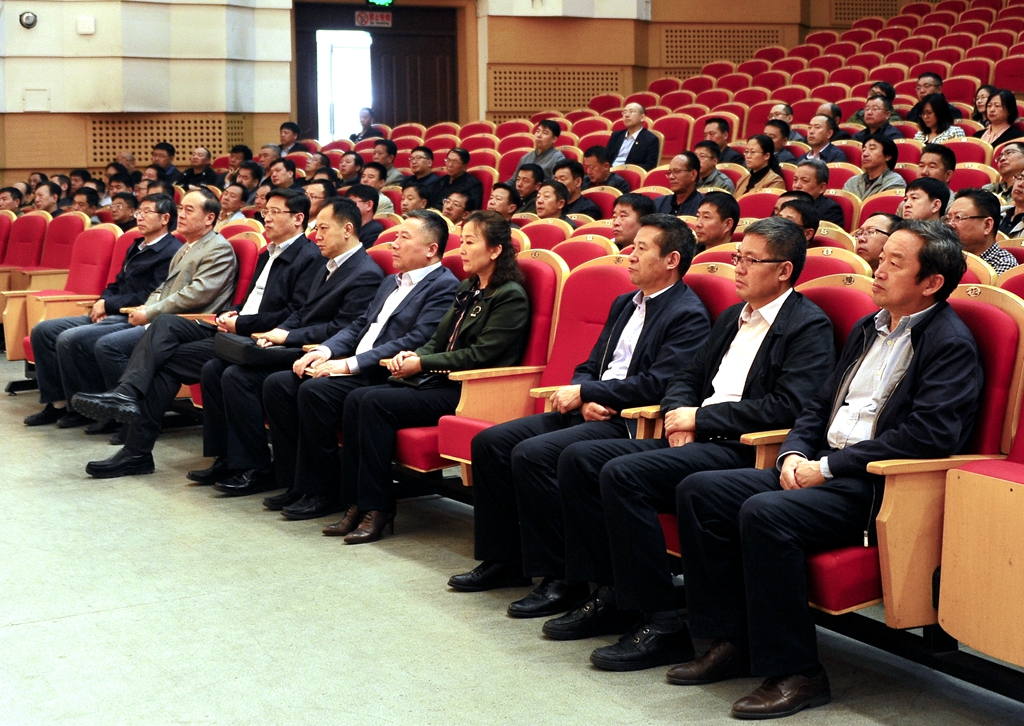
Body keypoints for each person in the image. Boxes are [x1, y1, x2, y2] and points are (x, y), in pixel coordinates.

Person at [671, 219, 982, 720]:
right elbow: (817, 406)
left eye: (895, 263)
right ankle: (732, 640)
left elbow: (928, 437)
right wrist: (793, 453)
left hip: (875, 486)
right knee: (699, 491)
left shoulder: (949, 342)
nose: (879, 270)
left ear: (931, 282)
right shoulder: (869, 327)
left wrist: (829, 467)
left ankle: (799, 672)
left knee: (765, 513)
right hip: (822, 466)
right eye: (882, 259)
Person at [546, 216, 835, 671]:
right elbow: (686, 376)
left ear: (783, 271)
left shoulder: (808, 325)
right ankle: (611, 595)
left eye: (750, 260)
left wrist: (700, 417)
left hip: (742, 445)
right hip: (696, 436)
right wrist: (678, 413)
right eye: (737, 257)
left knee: (623, 474)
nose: (738, 267)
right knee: (581, 459)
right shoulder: (732, 317)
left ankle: (662, 622)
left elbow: (788, 405)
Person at [447, 214, 712, 608]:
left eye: (641, 249)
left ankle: (562, 577)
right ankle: (506, 559)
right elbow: (591, 364)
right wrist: (584, 392)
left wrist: (589, 392)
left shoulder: (687, 314)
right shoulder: (625, 302)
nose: (629, 256)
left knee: (533, 455)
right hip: (591, 406)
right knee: (492, 443)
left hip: (626, 421)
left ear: (671, 260)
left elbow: (659, 384)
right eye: (632, 247)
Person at [299, 210, 533, 535]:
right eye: (462, 241)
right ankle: (357, 502)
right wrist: (413, 355)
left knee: (373, 402)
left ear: (495, 250)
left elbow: (481, 355)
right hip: (436, 379)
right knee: (357, 398)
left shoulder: (509, 296)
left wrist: (421, 363)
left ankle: (378, 508)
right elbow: (437, 339)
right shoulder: (469, 286)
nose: (461, 250)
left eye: (470, 242)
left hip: (469, 390)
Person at [71, 190, 323, 478]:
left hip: (262, 339)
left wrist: (240, 323)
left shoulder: (309, 257)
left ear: (298, 218)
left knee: (167, 360)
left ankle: (135, 438)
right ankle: (132, 428)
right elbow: (251, 301)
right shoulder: (268, 253)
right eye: (265, 212)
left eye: (275, 212)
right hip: (235, 330)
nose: (266, 218)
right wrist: (233, 312)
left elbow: (294, 313)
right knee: (165, 329)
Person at [259, 211, 462, 509]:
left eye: (404, 238)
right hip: (354, 364)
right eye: (395, 236)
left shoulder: (444, 285)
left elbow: (414, 340)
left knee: (315, 391)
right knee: (279, 385)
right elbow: (359, 326)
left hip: (384, 372)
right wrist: (324, 351)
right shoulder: (391, 281)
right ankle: (295, 482)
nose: (394, 244)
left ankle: (324, 491)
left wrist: (347, 364)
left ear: (431, 249)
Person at [189, 197, 385, 492]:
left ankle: (260, 468)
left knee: (238, 376)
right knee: (214, 368)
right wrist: (278, 331)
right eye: (316, 229)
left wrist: (288, 337)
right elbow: (302, 312)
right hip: (298, 342)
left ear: (347, 229)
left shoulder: (365, 272)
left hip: (320, 351)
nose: (316, 236)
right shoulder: (328, 264)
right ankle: (230, 459)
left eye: (323, 229)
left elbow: (343, 327)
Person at [71, 189, 238, 427]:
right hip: (164, 321)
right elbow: (163, 288)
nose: (181, 215)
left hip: (191, 324)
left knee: (109, 346)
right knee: (94, 341)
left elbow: (196, 294)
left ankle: (127, 412)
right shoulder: (186, 247)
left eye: (189, 210)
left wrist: (149, 312)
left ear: (209, 218)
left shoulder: (218, 248)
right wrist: (145, 308)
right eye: (181, 209)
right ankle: (122, 407)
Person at [25, 194, 181, 430]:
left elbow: (150, 296)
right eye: (139, 212)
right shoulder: (137, 245)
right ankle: (58, 404)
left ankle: (86, 408)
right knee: (43, 331)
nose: (140, 217)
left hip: (133, 316)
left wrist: (109, 305)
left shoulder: (171, 251)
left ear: (165, 218)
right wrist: (102, 301)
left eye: (147, 212)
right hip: (112, 310)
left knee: (70, 338)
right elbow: (117, 283)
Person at [946, 188, 1019, 274]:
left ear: (987, 225)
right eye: (948, 218)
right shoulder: (946, 256)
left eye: (958, 217)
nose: (950, 224)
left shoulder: (1003, 265)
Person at [843, 135, 905, 200]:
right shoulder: (852, 182)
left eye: (872, 149)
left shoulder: (895, 182)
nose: (865, 154)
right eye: (863, 150)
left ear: (888, 156)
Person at [790, 159, 845, 228]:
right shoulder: (787, 202)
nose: (797, 186)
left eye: (805, 181)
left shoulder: (830, 211)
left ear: (822, 188)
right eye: (795, 180)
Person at [605, 103, 661, 171]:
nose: (626, 115)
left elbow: (650, 165)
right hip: (609, 172)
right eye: (624, 112)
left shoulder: (650, 139)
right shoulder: (616, 135)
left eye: (631, 112)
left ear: (642, 117)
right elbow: (605, 157)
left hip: (629, 174)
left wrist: (625, 169)